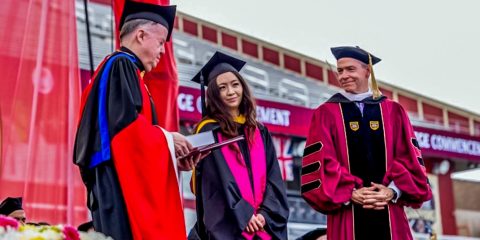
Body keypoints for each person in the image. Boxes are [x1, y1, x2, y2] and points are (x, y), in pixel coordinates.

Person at [73, 1, 202, 239]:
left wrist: (171, 156)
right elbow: (127, 134)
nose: (163, 51)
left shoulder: (121, 70)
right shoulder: (121, 65)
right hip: (117, 187)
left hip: (112, 184)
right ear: (141, 35)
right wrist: (169, 139)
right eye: (161, 42)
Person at [301, 46, 432, 240]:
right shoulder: (325, 113)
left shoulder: (393, 111)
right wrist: (351, 192)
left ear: (367, 71)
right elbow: (322, 163)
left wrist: (392, 191)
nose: (344, 75)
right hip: (347, 212)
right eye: (340, 70)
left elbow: (409, 160)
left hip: (389, 210)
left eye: (350, 69)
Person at [188, 51, 289, 240]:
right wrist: (244, 214)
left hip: (262, 225)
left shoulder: (259, 130)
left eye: (235, 85)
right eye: (222, 87)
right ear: (214, 94)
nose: (231, 92)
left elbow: (274, 177)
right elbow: (212, 181)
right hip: (229, 226)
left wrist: (265, 215)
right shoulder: (206, 130)